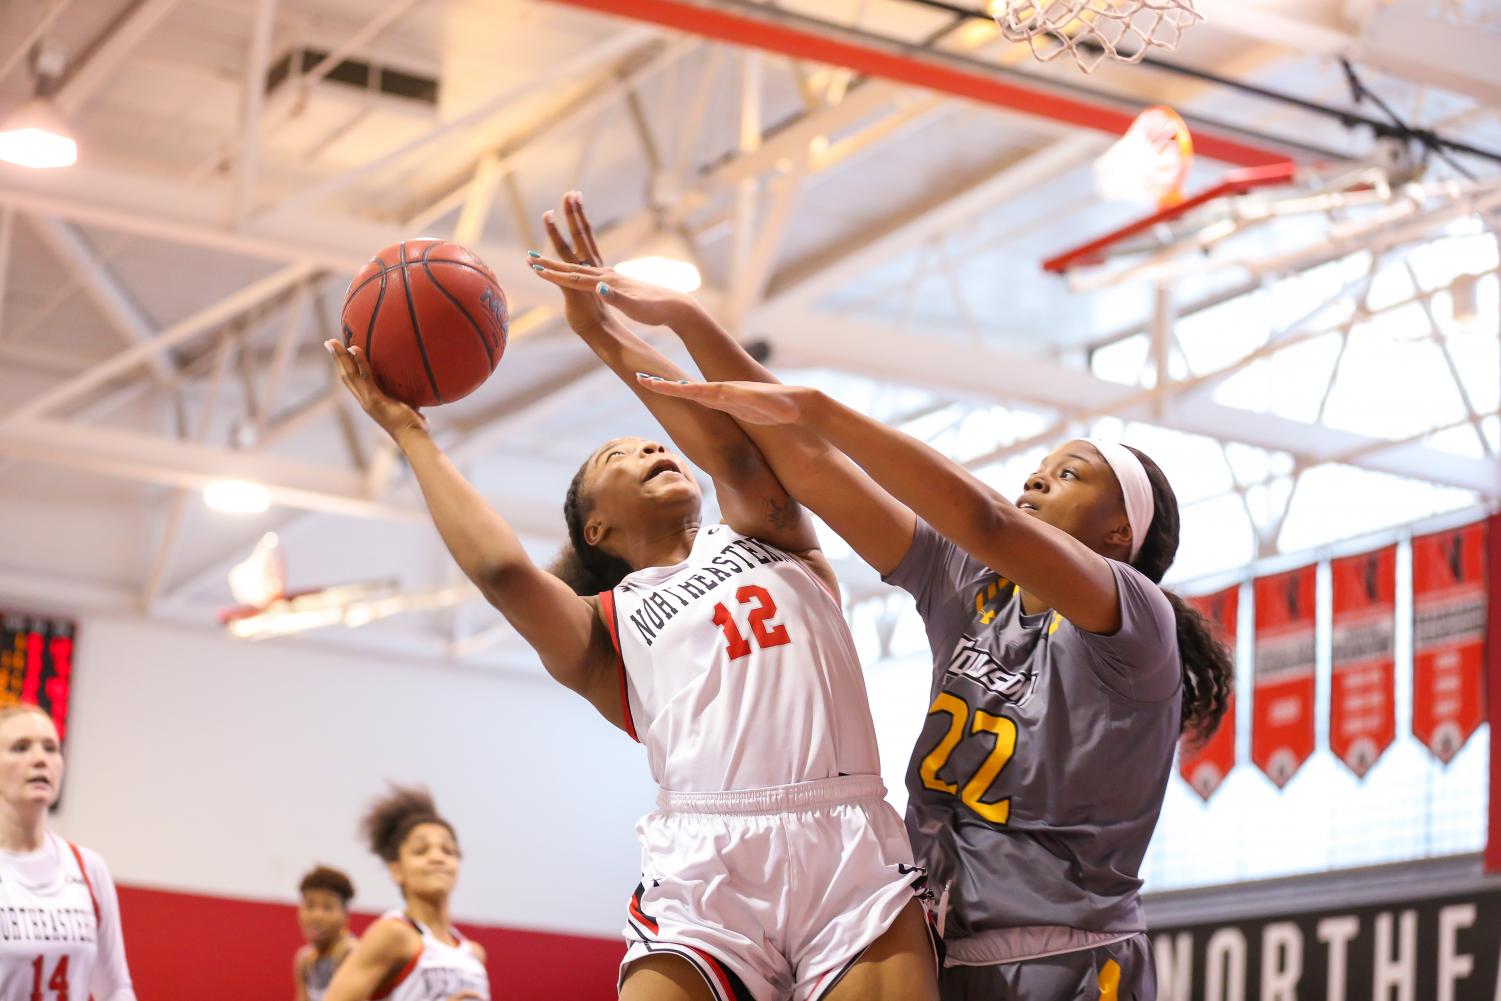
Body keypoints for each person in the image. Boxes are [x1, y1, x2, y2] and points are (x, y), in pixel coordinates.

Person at [532, 233, 1234, 1000]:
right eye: (1041, 465)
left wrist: (818, 407)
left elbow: (984, 517)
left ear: (1116, 535)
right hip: (939, 942)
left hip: (1069, 959)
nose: (1038, 475)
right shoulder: (971, 585)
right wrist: (677, 326)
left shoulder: (1133, 624)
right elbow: (808, 465)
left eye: (1069, 474)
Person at [325, 191, 937, 1001]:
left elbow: (731, 447)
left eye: (651, 441)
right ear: (597, 530)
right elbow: (504, 574)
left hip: (848, 841)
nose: (651, 444)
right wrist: (411, 434)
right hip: (703, 861)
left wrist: (599, 330)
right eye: (621, 453)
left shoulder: (772, 536)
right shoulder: (604, 632)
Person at [0, 703, 136, 1001]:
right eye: (20, 747)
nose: (40, 759)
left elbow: (114, 987)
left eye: (50, 748)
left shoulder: (88, 868)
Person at [323, 787, 487, 1001]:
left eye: (448, 850)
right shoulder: (394, 934)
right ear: (397, 870)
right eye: (421, 851)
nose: (437, 857)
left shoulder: (473, 954)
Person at [295, 865, 358, 1001]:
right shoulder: (304, 961)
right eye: (309, 905)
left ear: (345, 916)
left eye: (328, 908)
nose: (317, 916)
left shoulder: (351, 953)